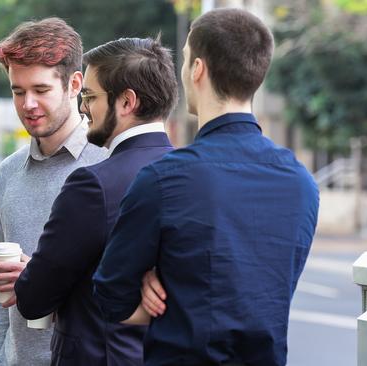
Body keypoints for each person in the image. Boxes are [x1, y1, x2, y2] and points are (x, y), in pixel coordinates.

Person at [93, 8, 320, 366]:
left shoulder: (164, 179)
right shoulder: (303, 183)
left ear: (197, 69)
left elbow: (109, 298)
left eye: (184, 61)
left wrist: (154, 281)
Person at [13, 37, 177, 365]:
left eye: (89, 96)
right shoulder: (193, 176)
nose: (83, 107)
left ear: (127, 102)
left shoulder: (94, 185)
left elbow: (33, 299)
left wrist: (28, 272)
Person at [0, 18, 107, 366]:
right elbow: (0, 300)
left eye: (40, 89)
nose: (28, 104)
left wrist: (42, 278)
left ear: (74, 84)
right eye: (18, 91)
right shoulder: (8, 172)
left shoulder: (108, 164)